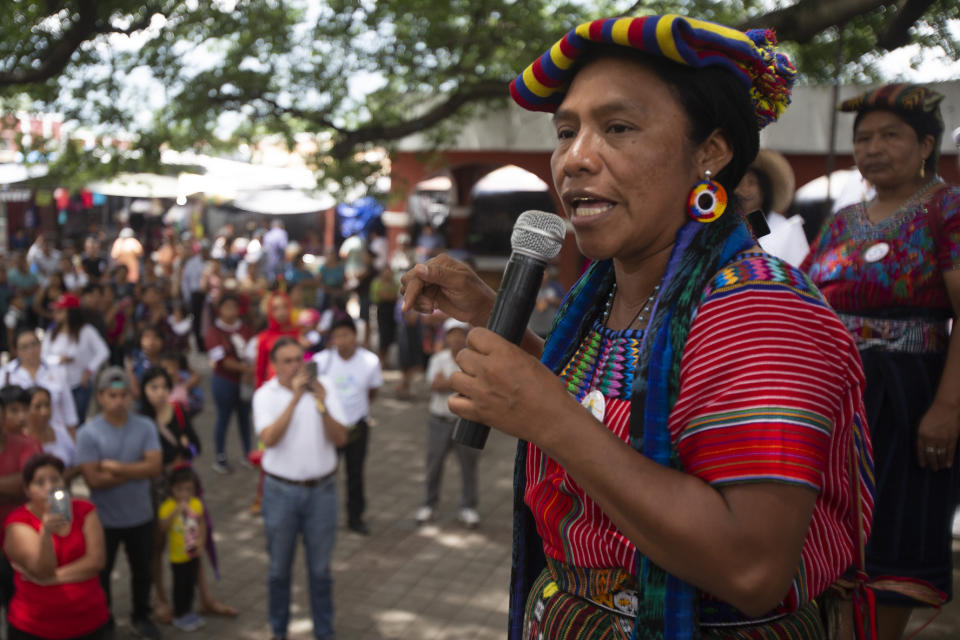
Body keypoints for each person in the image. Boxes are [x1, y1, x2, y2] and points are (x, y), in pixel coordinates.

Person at [401, 14, 874, 638]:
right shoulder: (608, 296)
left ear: (711, 152)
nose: (574, 158)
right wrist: (495, 317)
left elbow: (752, 566)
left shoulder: (761, 312)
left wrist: (544, 415)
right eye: (566, 131)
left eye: (617, 128)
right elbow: (615, 406)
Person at [803, 83, 960, 639]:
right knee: (822, 535)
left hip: (907, 396)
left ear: (924, 144)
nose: (872, 147)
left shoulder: (949, 208)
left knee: (888, 542)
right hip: (836, 398)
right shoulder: (844, 219)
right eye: (863, 137)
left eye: (890, 135)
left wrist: (947, 406)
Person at [253, 337, 348, 640]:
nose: (296, 366)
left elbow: (341, 438)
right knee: (279, 571)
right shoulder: (264, 395)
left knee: (320, 572)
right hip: (281, 493)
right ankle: (278, 631)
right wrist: (294, 400)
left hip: (323, 492)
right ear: (274, 365)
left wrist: (321, 404)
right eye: (288, 361)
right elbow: (268, 439)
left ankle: (324, 632)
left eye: (299, 359)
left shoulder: (325, 389)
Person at [75, 367, 163, 640]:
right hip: (105, 520)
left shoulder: (145, 426)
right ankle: (105, 620)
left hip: (141, 516)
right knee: (102, 574)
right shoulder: (88, 433)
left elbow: (155, 467)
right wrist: (136, 469)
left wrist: (115, 468)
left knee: (142, 571)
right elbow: (93, 480)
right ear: (100, 396)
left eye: (123, 395)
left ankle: (141, 616)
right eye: (112, 395)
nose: (118, 401)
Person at [2, 453, 111, 639]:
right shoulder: (18, 523)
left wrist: (50, 580)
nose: (50, 487)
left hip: (90, 621)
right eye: (40, 482)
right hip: (36, 628)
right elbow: (42, 570)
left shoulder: (84, 510)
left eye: (55, 479)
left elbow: (96, 562)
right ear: (27, 490)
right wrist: (45, 534)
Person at [311, 316, 383, 535]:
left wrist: (355, 412)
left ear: (355, 336)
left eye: (346, 334)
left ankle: (355, 517)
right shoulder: (321, 361)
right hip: (328, 427)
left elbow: (372, 392)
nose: (341, 340)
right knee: (325, 474)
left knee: (355, 473)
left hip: (357, 426)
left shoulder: (370, 361)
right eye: (337, 336)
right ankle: (322, 517)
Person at [415, 318, 480, 527]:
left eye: (461, 334)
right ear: (446, 336)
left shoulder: (474, 361)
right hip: (439, 420)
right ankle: (428, 505)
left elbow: (475, 388)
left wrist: (447, 381)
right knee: (434, 465)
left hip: (465, 420)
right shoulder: (438, 358)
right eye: (452, 334)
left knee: (469, 466)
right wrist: (460, 382)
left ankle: (468, 508)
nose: (456, 338)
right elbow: (434, 385)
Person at [40, 294, 110, 423]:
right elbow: (43, 356)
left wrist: (89, 370)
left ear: (71, 312)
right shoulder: (52, 332)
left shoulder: (86, 331)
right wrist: (58, 360)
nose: (56, 313)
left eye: (61, 310)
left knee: (77, 420)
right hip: (56, 385)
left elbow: (103, 351)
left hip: (78, 384)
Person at [205, 293, 254, 474]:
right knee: (223, 419)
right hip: (224, 381)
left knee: (244, 419)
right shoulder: (214, 331)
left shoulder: (245, 329)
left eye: (234, 307)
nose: (231, 311)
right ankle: (220, 457)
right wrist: (246, 370)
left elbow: (253, 350)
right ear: (220, 310)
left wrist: (248, 370)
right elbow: (221, 360)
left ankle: (248, 453)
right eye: (227, 307)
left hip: (244, 382)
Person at [735, 149, 809, 267]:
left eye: (751, 183)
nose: (744, 190)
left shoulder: (786, 230)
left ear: (764, 188)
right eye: (738, 183)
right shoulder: (726, 229)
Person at [1, 327, 79, 438]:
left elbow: (69, 412)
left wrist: (72, 438)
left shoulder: (57, 371)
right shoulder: (5, 374)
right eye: (24, 347)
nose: (31, 350)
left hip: (54, 435)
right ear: (16, 351)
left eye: (34, 344)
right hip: (20, 438)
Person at [157, 466, 206, 632]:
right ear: (172, 489)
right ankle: (179, 614)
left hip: (193, 553)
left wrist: (201, 543)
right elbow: (163, 527)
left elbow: (201, 523)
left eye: (188, 490)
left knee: (191, 584)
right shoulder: (168, 506)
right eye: (179, 490)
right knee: (180, 585)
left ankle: (189, 611)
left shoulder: (196, 504)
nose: (184, 494)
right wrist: (176, 511)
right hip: (177, 557)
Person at [23, 387, 78, 481]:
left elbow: (76, 464)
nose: (44, 412)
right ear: (26, 409)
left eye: (47, 405)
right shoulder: (20, 438)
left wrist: (58, 479)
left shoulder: (61, 433)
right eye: (37, 407)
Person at [253, 291, 300, 389]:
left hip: (298, 387)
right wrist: (259, 392)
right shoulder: (264, 337)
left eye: (284, 306)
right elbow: (260, 370)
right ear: (270, 311)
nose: (281, 312)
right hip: (275, 389)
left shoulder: (299, 332)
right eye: (275, 308)